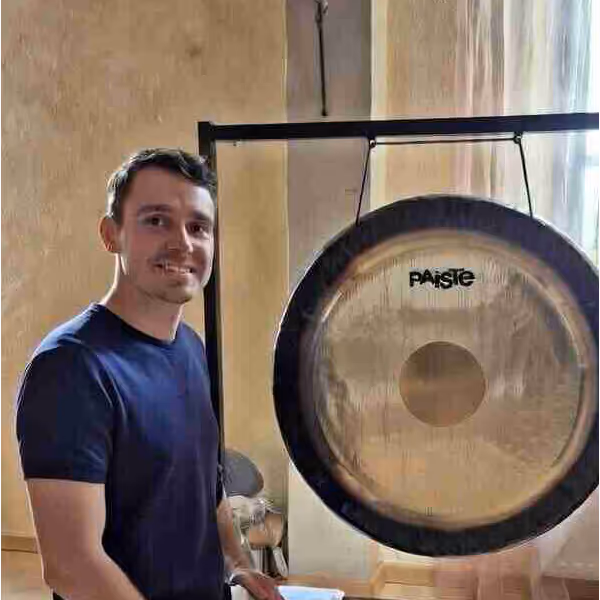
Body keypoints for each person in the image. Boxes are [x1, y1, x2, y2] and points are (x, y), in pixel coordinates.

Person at [15, 148, 284, 600]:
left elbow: (208, 483)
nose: (183, 243)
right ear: (111, 235)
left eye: (198, 227)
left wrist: (237, 562)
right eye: (157, 221)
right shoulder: (70, 368)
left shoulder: (190, 348)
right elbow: (71, 564)